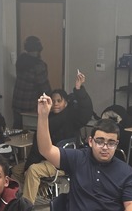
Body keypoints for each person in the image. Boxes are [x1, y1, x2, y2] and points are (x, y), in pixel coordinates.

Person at [35, 94, 132, 211]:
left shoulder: (126, 171)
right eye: (100, 141)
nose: (105, 147)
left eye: (111, 143)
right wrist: (43, 116)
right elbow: (46, 149)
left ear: (117, 144)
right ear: (90, 141)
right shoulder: (77, 158)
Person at [21, 72, 92, 203]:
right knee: (15, 170)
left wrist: (78, 88)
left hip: (63, 161)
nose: (56, 104)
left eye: (59, 101)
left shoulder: (71, 117)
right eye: (53, 101)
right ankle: (40, 191)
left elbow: (86, 110)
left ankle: (26, 210)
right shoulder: (46, 118)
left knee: (32, 170)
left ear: (66, 103)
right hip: (44, 159)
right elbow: (37, 148)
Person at [11, 35, 51, 128]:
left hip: (17, 102)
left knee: (17, 130)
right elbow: (44, 87)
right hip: (30, 105)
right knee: (31, 132)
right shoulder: (39, 65)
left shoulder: (20, 60)